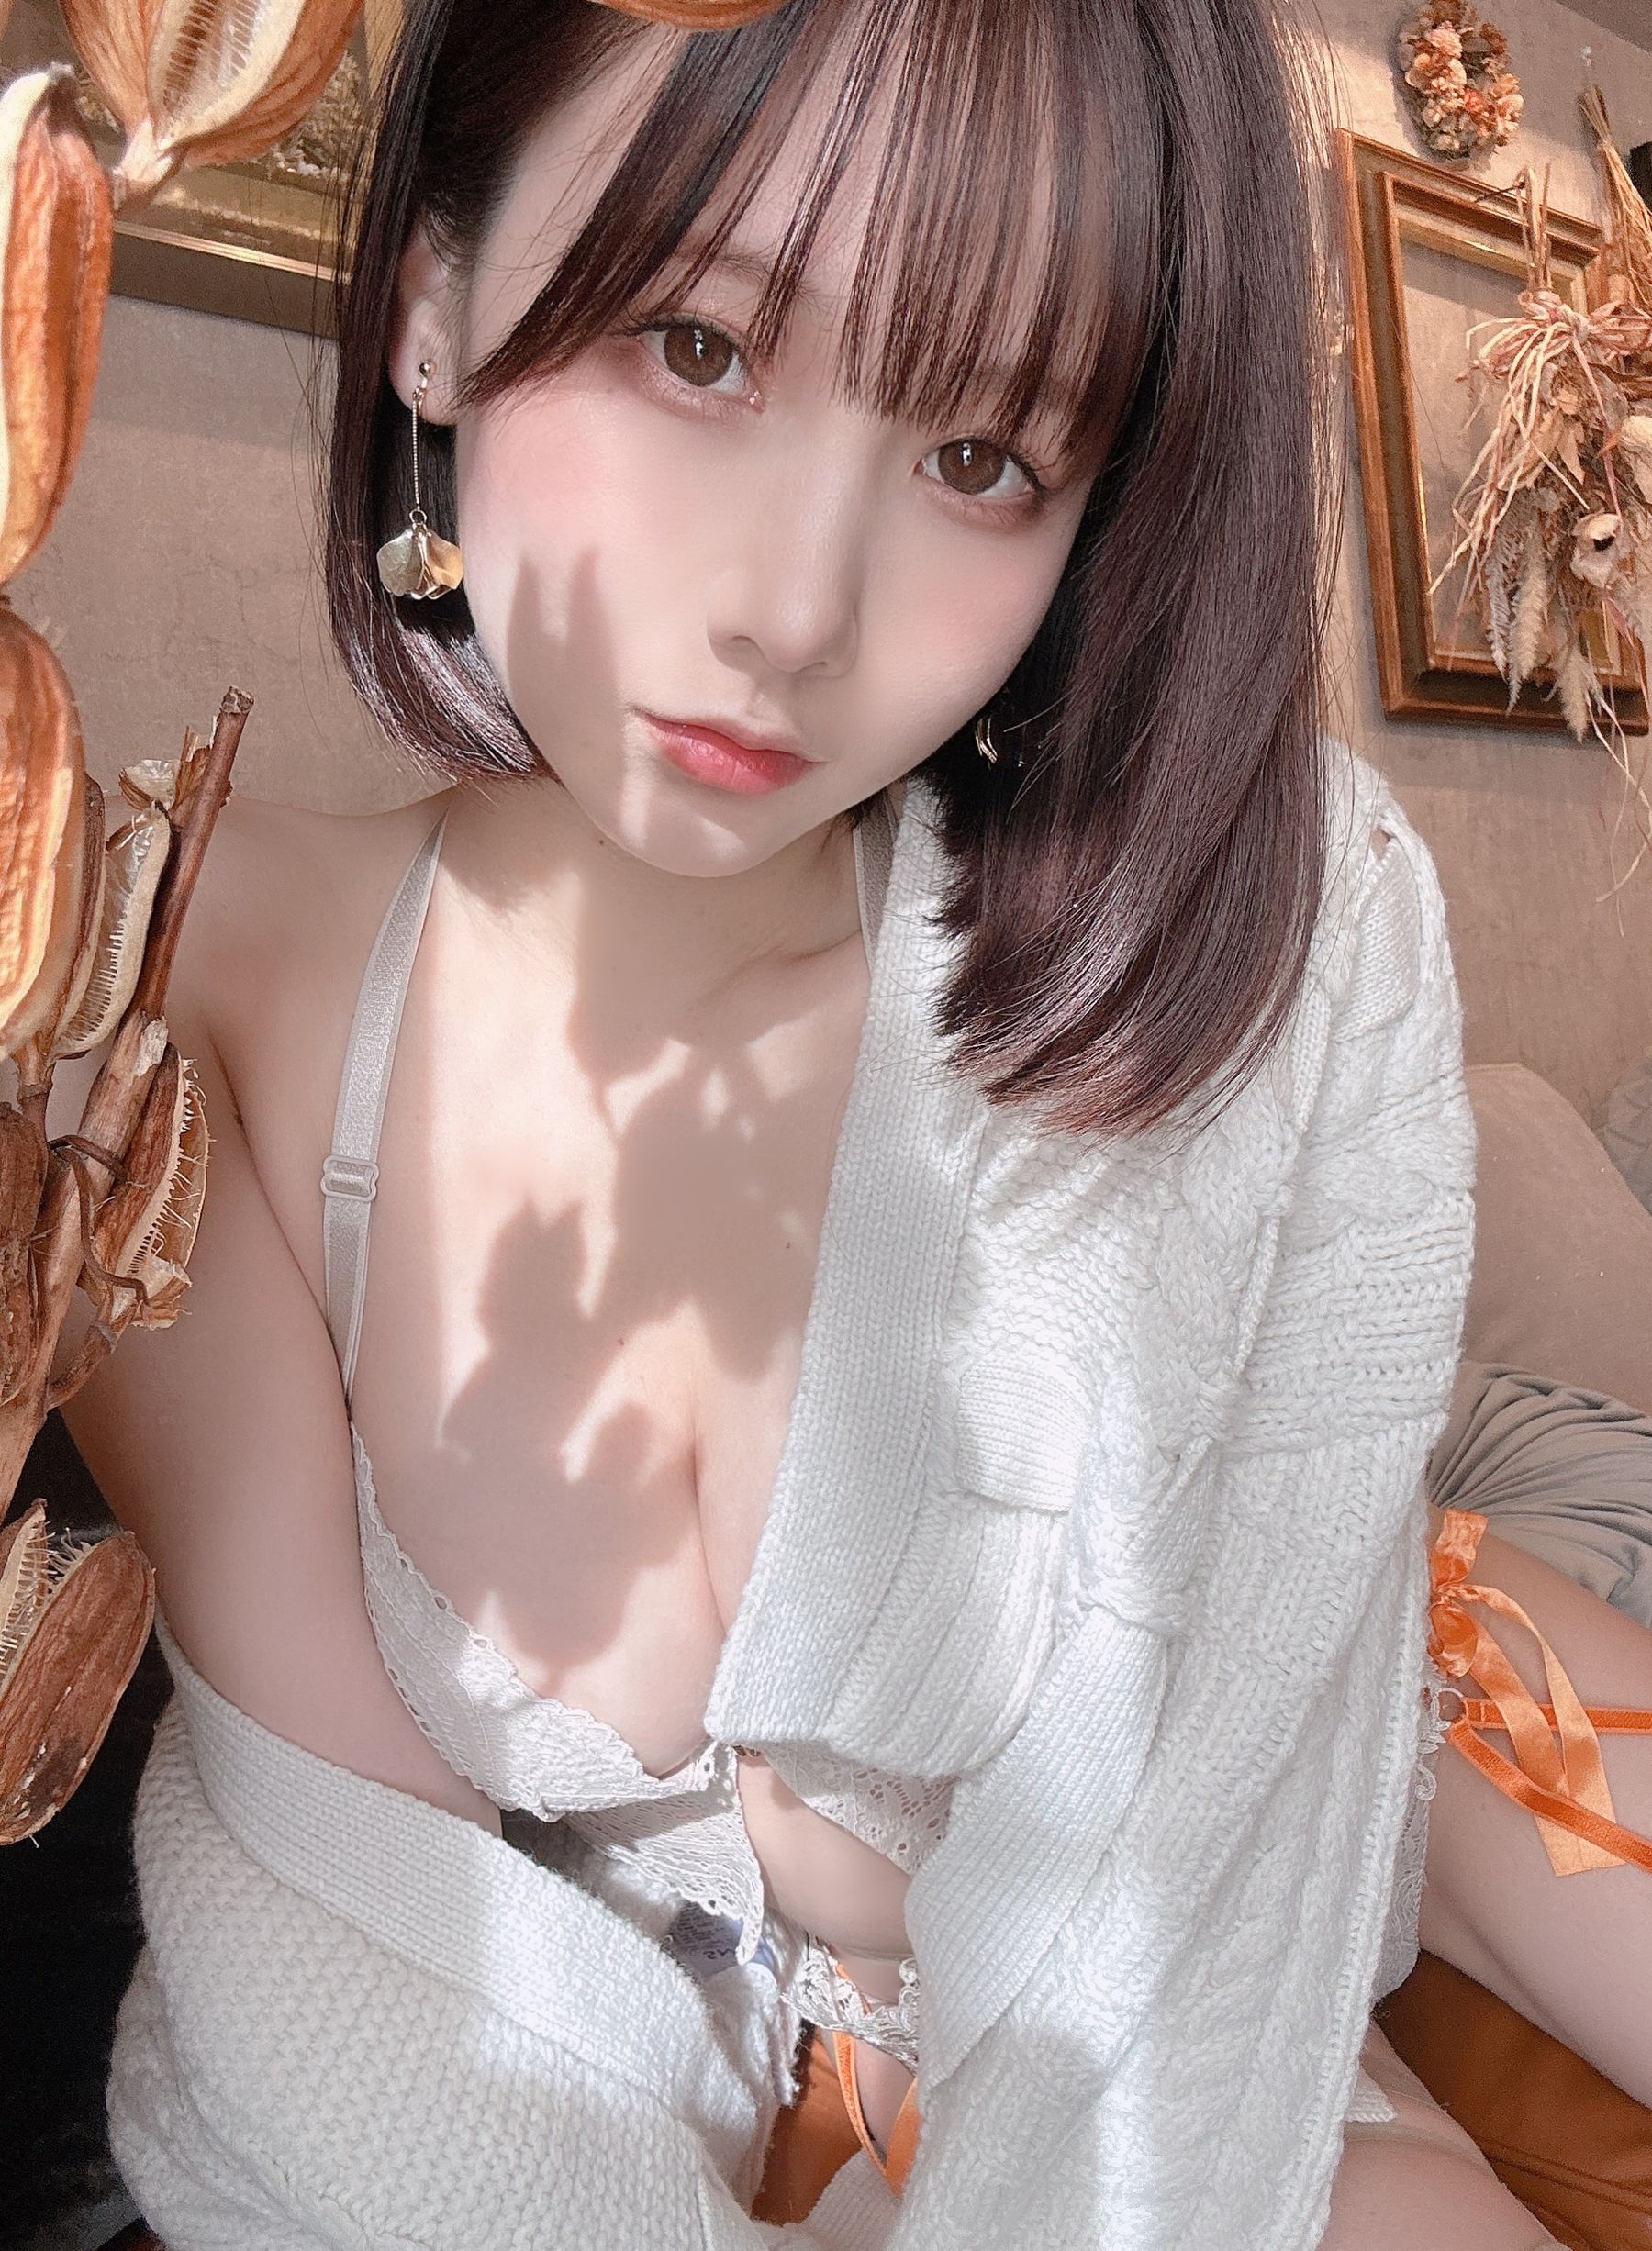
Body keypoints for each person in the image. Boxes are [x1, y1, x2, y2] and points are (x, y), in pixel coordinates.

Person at [39, 1, 1650, 2245]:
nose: (795, 614)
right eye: (699, 346)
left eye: (982, 456)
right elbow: (364, 1912)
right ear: (433, 301)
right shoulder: (170, 977)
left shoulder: (1124, 981)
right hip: (701, 2104)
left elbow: (1236, 1733)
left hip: (1207, 1937)